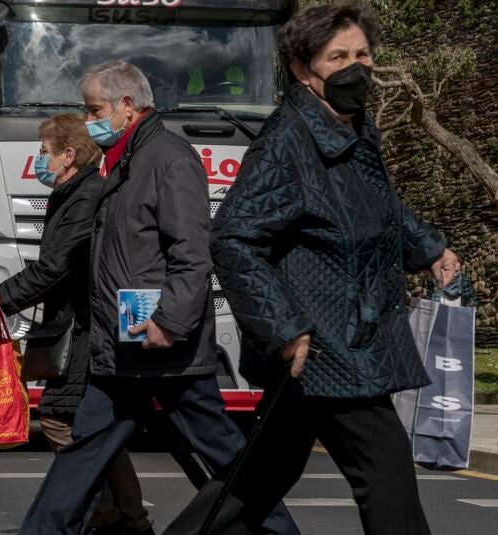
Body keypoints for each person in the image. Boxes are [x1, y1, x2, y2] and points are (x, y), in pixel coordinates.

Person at [167, 1, 459, 535]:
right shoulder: (286, 143)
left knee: (261, 475)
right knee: (387, 471)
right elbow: (232, 237)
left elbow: (376, 207)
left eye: (363, 54)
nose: (356, 67)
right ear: (303, 71)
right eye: (338, 57)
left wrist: (428, 248)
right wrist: (283, 327)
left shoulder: (354, 126)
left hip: (346, 335)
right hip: (325, 342)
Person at [20, 61, 298, 535]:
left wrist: (169, 320)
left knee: (223, 454)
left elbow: (192, 252)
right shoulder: (126, 160)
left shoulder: (169, 158)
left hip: (166, 350)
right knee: (83, 453)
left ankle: (279, 532)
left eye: (95, 111)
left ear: (127, 106)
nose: (88, 121)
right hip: (122, 348)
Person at [0, 114, 151, 535]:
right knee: (99, 431)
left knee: (61, 420)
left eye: (44, 152)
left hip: (86, 328)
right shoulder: (71, 194)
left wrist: (2, 294)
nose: (40, 160)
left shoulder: (85, 197)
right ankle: (131, 521)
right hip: (77, 325)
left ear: (68, 155)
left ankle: (106, 516)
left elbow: (57, 266)